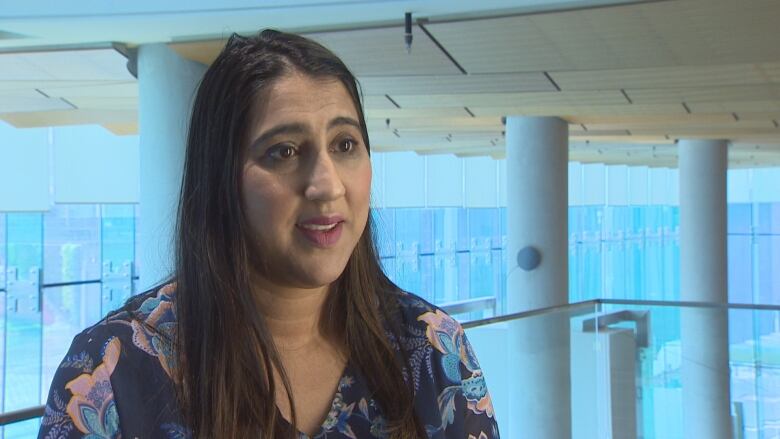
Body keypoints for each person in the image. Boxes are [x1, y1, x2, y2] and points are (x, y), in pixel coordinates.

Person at [38, 29, 499, 439]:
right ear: (221, 179)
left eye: (345, 145)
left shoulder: (431, 349)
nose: (327, 184)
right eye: (284, 151)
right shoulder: (114, 372)